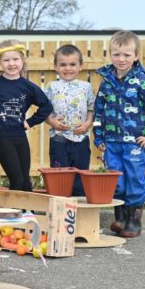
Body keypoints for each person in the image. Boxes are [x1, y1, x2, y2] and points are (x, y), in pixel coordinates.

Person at [93, 30, 145, 238]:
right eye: (117, 54)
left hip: (134, 143)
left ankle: (134, 221)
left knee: (134, 178)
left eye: (127, 55)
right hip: (111, 142)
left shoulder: (141, 80)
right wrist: (98, 136)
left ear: (135, 56)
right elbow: (99, 109)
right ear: (110, 54)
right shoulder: (106, 81)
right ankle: (121, 218)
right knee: (115, 180)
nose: (121, 59)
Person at [0, 40, 53, 191]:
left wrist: (30, 122)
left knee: (25, 181)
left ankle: (26, 213)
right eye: (6, 60)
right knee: (16, 180)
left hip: (20, 136)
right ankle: (12, 213)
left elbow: (47, 106)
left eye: (15, 59)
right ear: (0, 63)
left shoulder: (28, 87)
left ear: (22, 60)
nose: (11, 64)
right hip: (1, 137)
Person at [44, 44, 95, 196]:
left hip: (81, 139)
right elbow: (44, 110)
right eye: (63, 65)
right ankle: (61, 206)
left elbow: (91, 109)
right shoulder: (51, 86)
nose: (68, 68)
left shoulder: (86, 87)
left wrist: (87, 124)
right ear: (55, 66)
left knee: (80, 174)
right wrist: (51, 121)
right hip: (58, 139)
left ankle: (79, 207)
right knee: (60, 175)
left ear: (81, 66)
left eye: (73, 64)